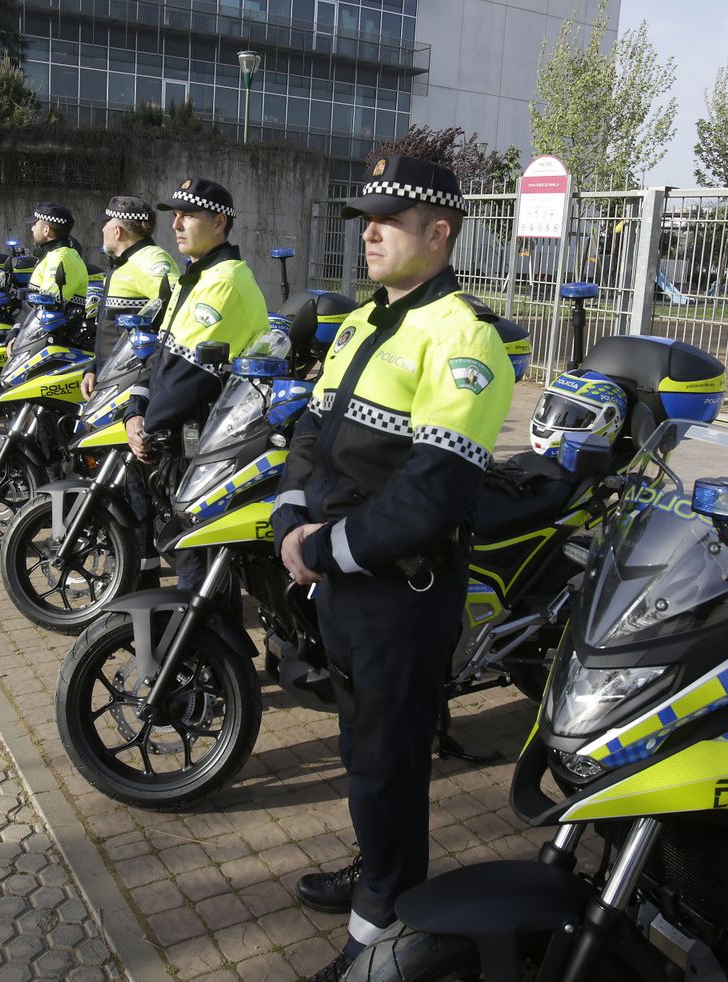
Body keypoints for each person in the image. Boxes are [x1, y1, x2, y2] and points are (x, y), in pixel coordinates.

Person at [269, 155, 513, 981]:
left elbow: (433, 494)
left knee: (388, 761)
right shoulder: (367, 319)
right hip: (341, 582)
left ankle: (383, 931)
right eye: (364, 218)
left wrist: (324, 549)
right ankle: (380, 871)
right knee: (363, 751)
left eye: (388, 220)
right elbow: (312, 431)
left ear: (438, 233)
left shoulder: (464, 337)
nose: (368, 232)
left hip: (398, 592)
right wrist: (290, 513)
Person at [127, 178, 267, 596]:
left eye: (188, 215)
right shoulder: (196, 277)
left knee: (199, 566)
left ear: (220, 221)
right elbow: (162, 355)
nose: (176, 224)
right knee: (190, 555)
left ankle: (209, 656)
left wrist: (146, 423)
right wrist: (135, 405)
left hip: (207, 441)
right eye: (174, 215)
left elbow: (188, 377)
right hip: (189, 437)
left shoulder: (224, 281)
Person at [82, 196, 176, 399]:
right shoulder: (125, 264)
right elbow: (112, 332)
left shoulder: (151, 260)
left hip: (132, 385)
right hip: (111, 379)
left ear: (117, 231)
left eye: (106, 223)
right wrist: (94, 367)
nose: (102, 230)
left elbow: (177, 312)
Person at [27, 201, 89, 302]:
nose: (32, 228)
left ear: (46, 230)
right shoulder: (53, 255)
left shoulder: (62, 258)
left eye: (35, 224)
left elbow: (48, 305)